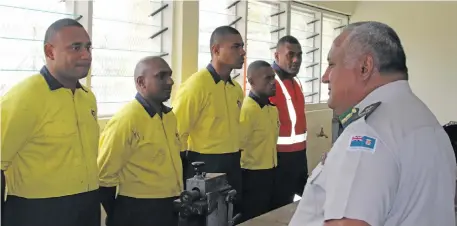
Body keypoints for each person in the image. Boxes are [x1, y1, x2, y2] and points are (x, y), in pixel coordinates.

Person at [289, 21, 456, 226]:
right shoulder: (428, 123)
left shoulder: (367, 133)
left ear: (364, 67)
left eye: (332, 64)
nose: (325, 77)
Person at [1, 18, 100, 226]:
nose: (86, 55)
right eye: (76, 47)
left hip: (88, 207)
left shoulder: (88, 97)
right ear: (50, 52)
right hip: (38, 213)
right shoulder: (23, 98)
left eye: (88, 47)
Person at [98, 56, 183, 226]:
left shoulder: (168, 116)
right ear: (141, 82)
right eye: (161, 76)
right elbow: (103, 176)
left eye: (170, 75)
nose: (170, 81)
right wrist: (119, 215)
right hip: (138, 209)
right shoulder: (126, 120)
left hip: (170, 206)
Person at [172, 25, 245, 215]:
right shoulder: (196, 86)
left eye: (242, 46)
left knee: (230, 215)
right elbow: (177, 133)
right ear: (216, 50)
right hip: (204, 164)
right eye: (236, 47)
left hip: (233, 162)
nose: (242, 52)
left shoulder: (236, 89)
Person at [269, 35, 308, 210]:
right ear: (276, 56)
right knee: (279, 207)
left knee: (299, 203)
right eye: (290, 55)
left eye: (299, 55)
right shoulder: (268, 83)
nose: (296, 60)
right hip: (279, 159)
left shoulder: (296, 82)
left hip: (299, 156)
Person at [238, 60, 279, 223]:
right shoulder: (247, 111)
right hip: (252, 176)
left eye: (273, 77)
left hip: (271, 171)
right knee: (254, 219)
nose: (273, 82)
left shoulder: (272, 109)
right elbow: (239, 147)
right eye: (267, 78)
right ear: (252, 82)